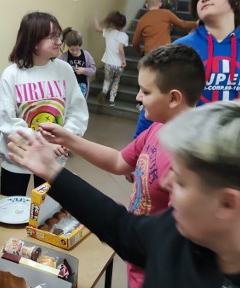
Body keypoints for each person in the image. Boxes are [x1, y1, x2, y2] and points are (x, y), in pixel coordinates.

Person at [7, 100, 240, 287]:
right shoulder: (182, 231)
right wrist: (54, 174)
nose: (165, 185)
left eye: (180, 181)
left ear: (228, 203)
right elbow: (121, 228)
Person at [39, 44, 204, 288]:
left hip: (154, 269)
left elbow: (174, 243)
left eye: (146, 92)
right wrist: (68, 138)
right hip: (136, 261)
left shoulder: (190, 159)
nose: (138, 97)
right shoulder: (158, 128)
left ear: (173, 98)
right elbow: (119, 161)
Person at [134, 0, 240, 137]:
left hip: (233, 149)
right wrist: (136, 147)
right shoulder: (180, 49)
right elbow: (154, 103)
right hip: (184, 145)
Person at [0, 12, 89, 197]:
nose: (58, 41)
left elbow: (76, 111)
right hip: (17, 162)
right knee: (12, 217)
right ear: (33, 41)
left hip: (53, 159)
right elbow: (8, 121)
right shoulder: (12, 74)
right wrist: (42, 144)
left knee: (48, 217)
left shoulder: (64, 70)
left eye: (58, 35)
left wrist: (65, 138)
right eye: (52, 36)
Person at [132, 0, 197, 55]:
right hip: (165, 52)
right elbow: (183, 24)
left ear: (146, 5)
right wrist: (198, 24)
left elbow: (135, 42)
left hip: (149, 54)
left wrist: (140, 51)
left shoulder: (142, 20)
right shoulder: (166, 13)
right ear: (160, 3)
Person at [94, 11, 129, 107]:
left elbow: (97, 28)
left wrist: (95, 19)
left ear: (113, 23)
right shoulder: (124, 36)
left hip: (108, 63)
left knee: (107, 79)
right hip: (118, 64)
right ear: (123, 24)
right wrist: (124, 60)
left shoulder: (108, 32)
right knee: (116, 81)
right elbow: (120, 48)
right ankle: (112, 100)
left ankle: (104, 91)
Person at [58, 27, 96, 99]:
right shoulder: (63, 57)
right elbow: (57, 70)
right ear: (67, 45)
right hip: (68, 89)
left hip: (82, 87)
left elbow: (93, 70)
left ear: (80, 45)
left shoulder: (86, 55)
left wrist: (84, 70)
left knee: (80, 106)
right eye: (72, 50)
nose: (75, 52)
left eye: (77, 49)